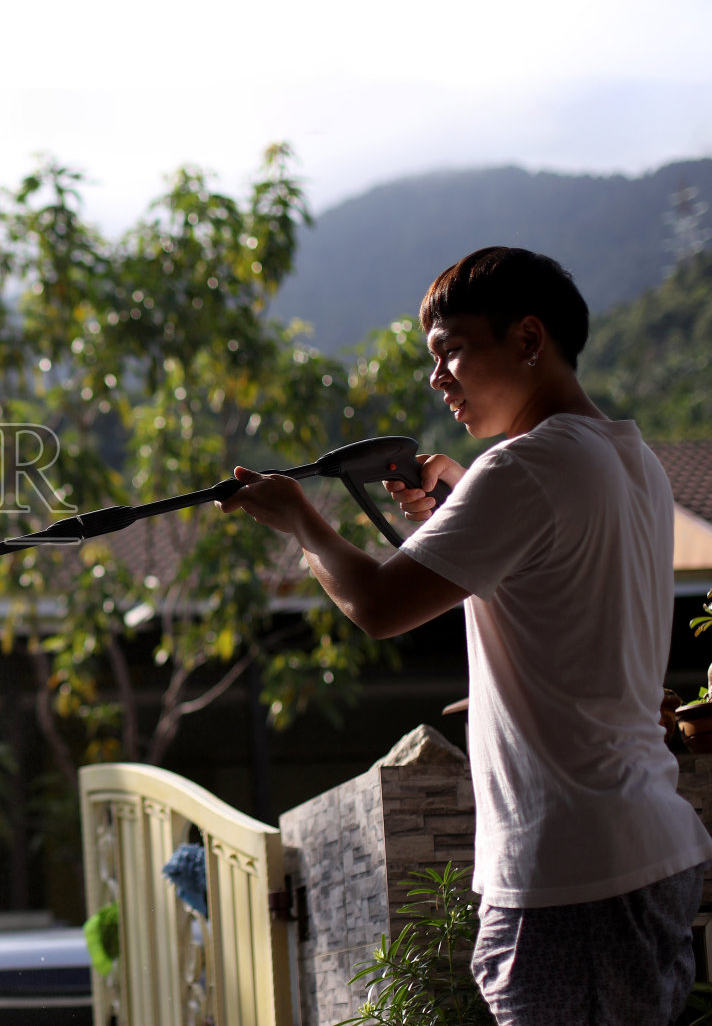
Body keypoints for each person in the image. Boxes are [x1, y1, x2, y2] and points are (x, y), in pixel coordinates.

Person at [222, 246, 712, 1025]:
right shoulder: (629, 458)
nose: (436, 375)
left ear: (526, 339)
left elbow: (379, 605)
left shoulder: (525, 468)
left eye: (451, 347)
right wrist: (460, 495)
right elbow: (557, 574)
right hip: (637, 846)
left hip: (574, 871)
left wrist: (299, 522)